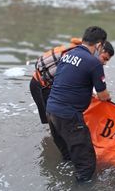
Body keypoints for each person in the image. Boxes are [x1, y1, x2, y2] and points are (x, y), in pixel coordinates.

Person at [46, 26, 111, 182]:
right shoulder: (94, 63)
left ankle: (60, 182)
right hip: (69, 116)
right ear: (99, 45)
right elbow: (103, 95)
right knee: (86, 166)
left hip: (51, 111)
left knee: (68, 157)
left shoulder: (68, 54)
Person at [29, 40, 114, 124]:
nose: (105, 63)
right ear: (99, 49)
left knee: (56, 121)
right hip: (41, 86)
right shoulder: (80, 57)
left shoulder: (80, 52)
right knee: (52, 121)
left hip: (48, 84)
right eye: (104, 58)